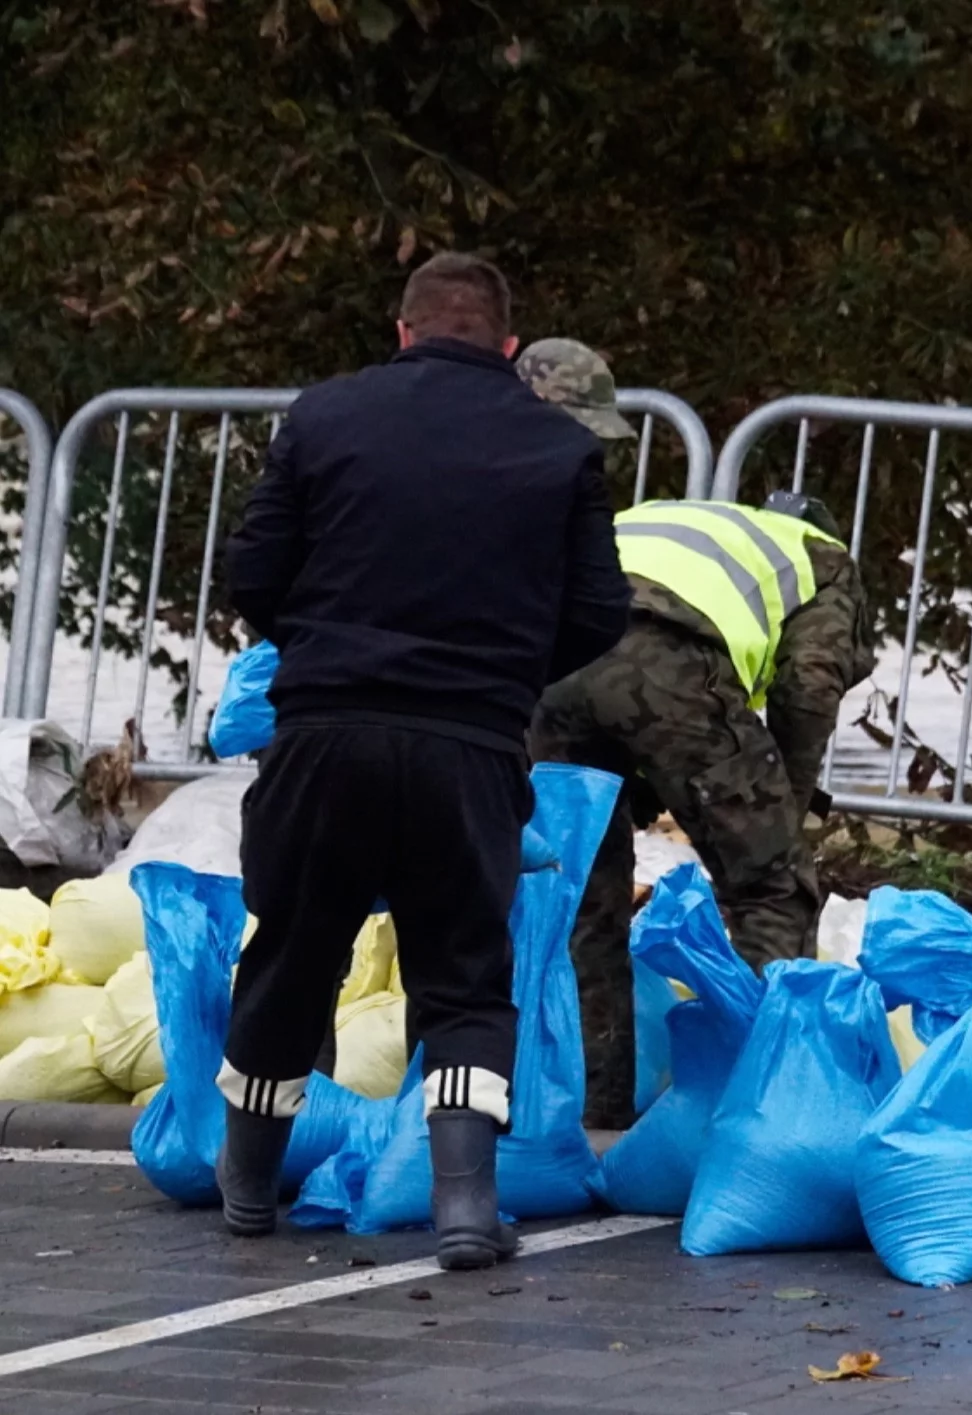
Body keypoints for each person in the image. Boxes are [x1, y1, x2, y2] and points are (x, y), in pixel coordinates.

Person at [217, 257, 630, 1269]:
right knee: (463, 971)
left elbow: (251, 571)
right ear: (505, 349)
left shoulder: (323, 415)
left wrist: (319, 654)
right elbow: (599, 610)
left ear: (402, 333)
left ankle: (247, 1185)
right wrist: (500, 674)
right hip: (471, 744)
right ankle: (464, 1207)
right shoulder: (559, 446)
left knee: (296, 947)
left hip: (324, 733)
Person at [518, 338, 875, 1129]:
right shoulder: (822, 558)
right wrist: (785, 792)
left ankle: (596, 1102)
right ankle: (756, 1106)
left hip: (551, 663)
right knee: (769, 886)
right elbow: (809, 683)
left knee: (583, 898)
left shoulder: (664, 519)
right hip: (665, 657)